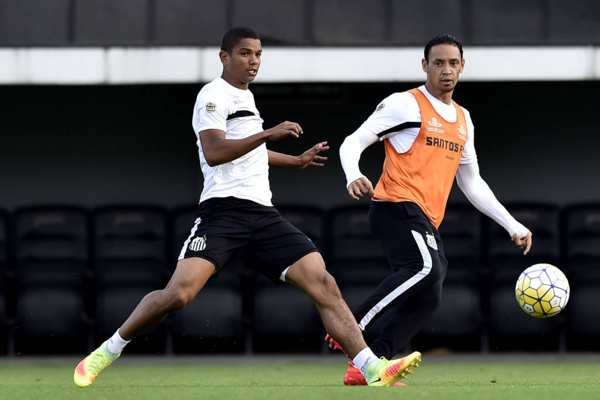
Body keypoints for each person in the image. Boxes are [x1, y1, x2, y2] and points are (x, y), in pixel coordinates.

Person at [73, 27, 421, 388]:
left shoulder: (246, 97)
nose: (253, 61)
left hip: (263, 216)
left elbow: (249, 152)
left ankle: (370, 367)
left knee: (323, 282)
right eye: (245, 53)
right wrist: (268, 132)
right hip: (223, 214)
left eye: (258, 54)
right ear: (224, 57)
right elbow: (215, 151)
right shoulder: (212, 95)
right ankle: (107, 351)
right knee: (179, 294)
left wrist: (296, 160)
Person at [329, 33, 533, 385]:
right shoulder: (404, 104)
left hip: (424, 217)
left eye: (453, 63)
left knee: (429, 293)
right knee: (425, 267)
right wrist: (353, 174)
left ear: (462, 66)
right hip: (394, 206)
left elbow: (471, 182)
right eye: (438, 63)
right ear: (425, 66)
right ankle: (350, 325)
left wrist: (512, 224)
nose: (446, 70)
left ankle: (369, 364)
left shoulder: (464, 120)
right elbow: (353, 142)